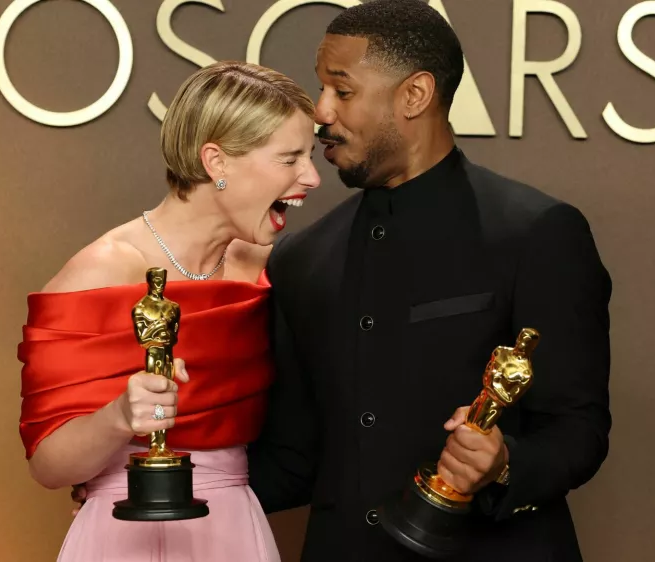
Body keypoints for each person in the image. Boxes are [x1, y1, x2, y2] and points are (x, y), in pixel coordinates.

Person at [245, 1, 612, 561]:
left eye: (341, 92)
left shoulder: (536, 233)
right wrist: (160, 488)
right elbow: (294, 458)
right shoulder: (298, 258)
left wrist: (505, 462)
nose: (320, 112)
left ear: (413, 95)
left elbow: (576, 429)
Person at [17, 60, 320, 561]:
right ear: (216, 162)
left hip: (233, 535)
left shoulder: (276, 271)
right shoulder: (103, 270)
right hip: (120, 536)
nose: (310, 177)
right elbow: (49, 466)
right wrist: (118, 417)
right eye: (289, 159)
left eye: (310, 157)